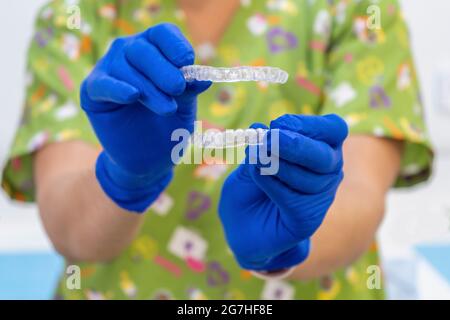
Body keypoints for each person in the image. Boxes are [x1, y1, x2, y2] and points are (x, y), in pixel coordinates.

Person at [1, 0, 433, 300]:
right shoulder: (77, 16)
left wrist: (291, 240)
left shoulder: (356, 12)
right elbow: (67, 226)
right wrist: (124, 179)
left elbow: (362, 191)